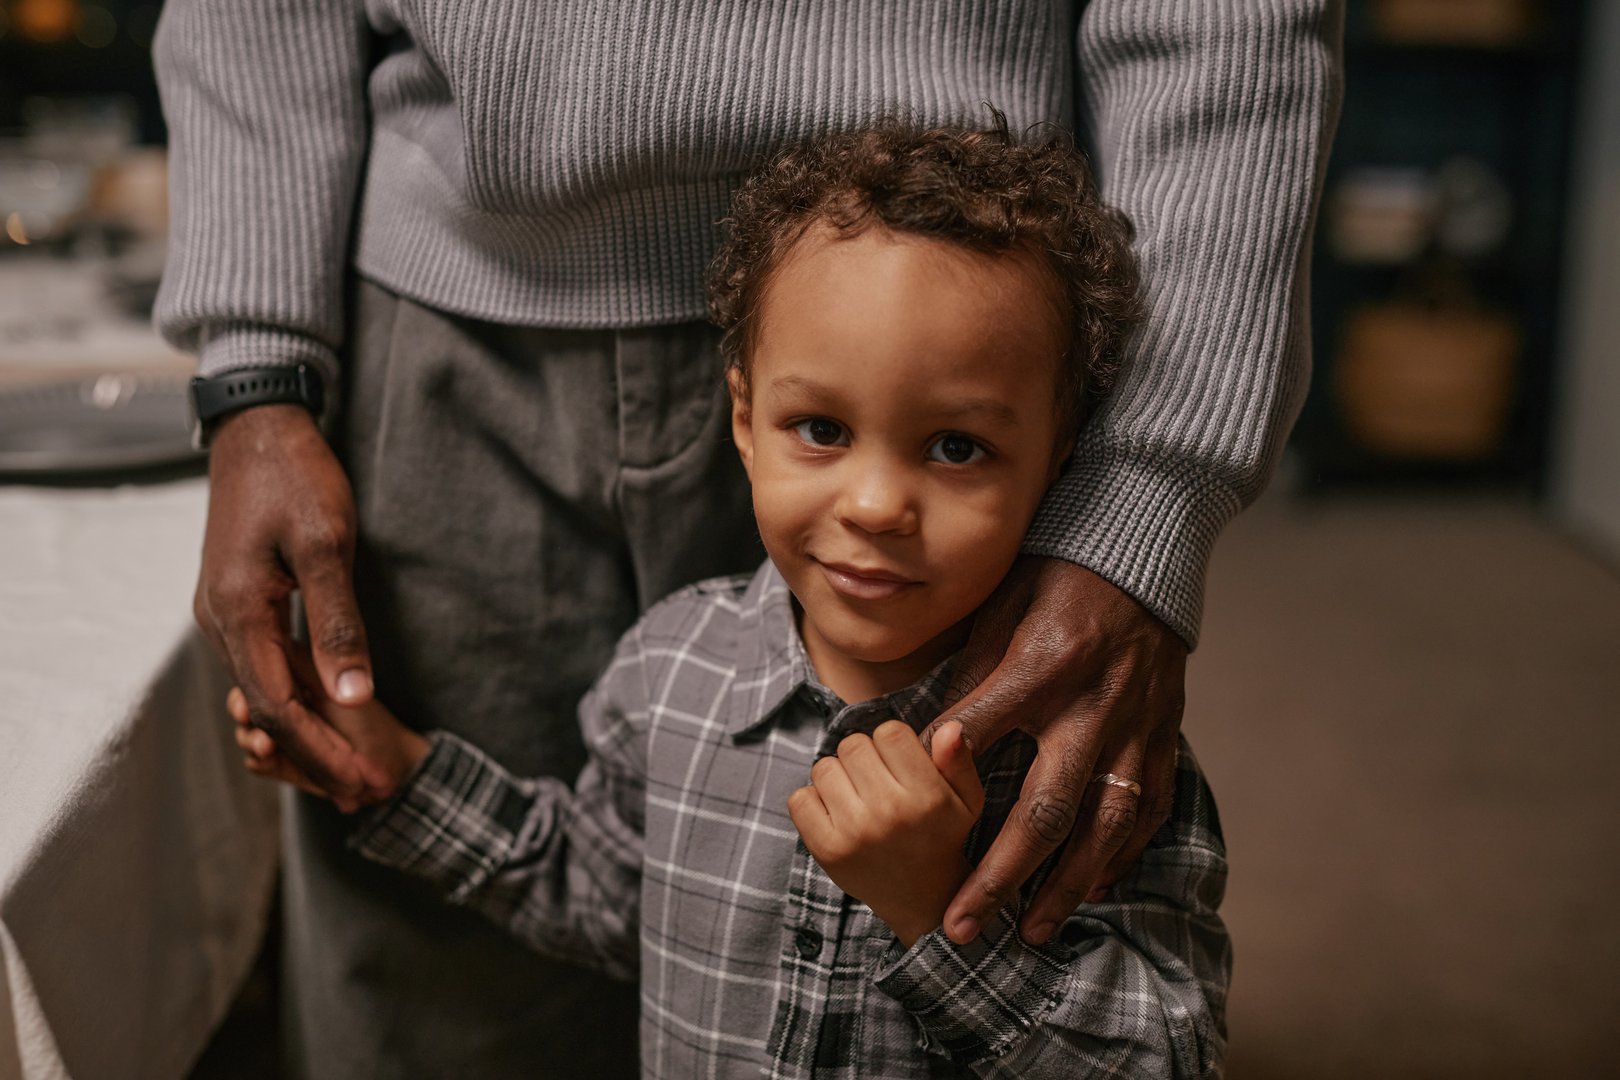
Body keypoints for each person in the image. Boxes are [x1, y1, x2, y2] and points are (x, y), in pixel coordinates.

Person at [154, 2, 1340, 1075]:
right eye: (821, 429)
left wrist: (943, 919)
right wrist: (402, 778)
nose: (876, 507)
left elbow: (1165, 1056)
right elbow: (610, 893)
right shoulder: (673, 674)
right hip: (434, 308)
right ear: (746, 416)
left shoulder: (1074, 762)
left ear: (1061, 444)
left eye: (956, 448)